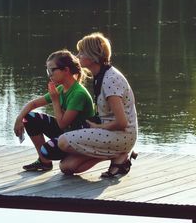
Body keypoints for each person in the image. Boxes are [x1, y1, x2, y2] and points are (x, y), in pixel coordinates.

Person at [57, 32, 138, 178]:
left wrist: (98, 127)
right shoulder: (100, 75)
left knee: (63, 142)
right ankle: (119, 157)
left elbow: (122, 122)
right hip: (110, 133)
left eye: (82, 52)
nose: (78, 55)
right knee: (66, 167)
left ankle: (121, 153)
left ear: (93, 56)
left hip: (122, 134)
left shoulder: (110, 80)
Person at [13, 49, 95, 171]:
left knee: (47, 150)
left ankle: (78, 155)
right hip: (66, 133)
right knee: (28, 117)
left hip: (79, 139)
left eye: (52, 70)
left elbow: (62, 124)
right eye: (48, 70)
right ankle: (44, 162)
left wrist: (55, 100)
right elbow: (33, 104)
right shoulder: (62, 88)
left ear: (66, 70)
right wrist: (19, 119)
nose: (50, 74)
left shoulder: (78, 94)